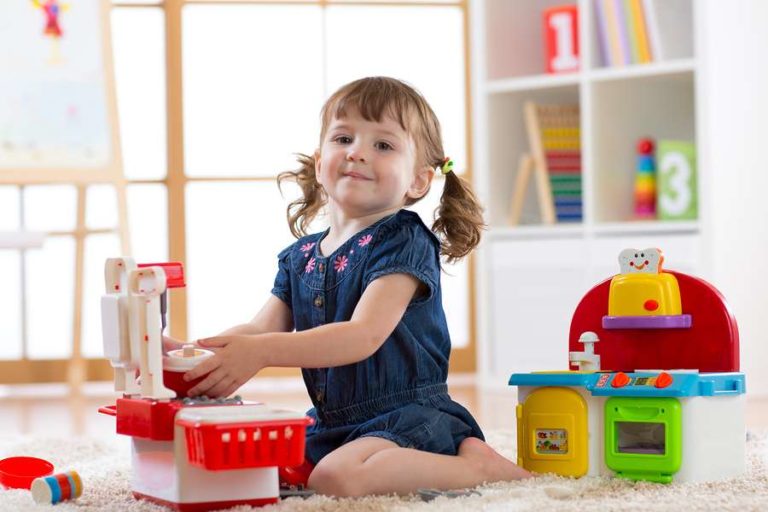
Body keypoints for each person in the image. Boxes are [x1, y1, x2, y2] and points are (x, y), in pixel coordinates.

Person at [179, 76, 532, 496]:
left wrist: (263, 352)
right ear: (319, 160)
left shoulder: (404, 239)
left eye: (383, 145)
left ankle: (475, 466)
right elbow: (260, 330)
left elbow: (363, 336)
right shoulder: (301, 256)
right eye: (343, 137)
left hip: (407, 416)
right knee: (265, 465)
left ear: (418, 181)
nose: (357, 153)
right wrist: (195, 355)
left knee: (335, 479)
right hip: (333, 423)